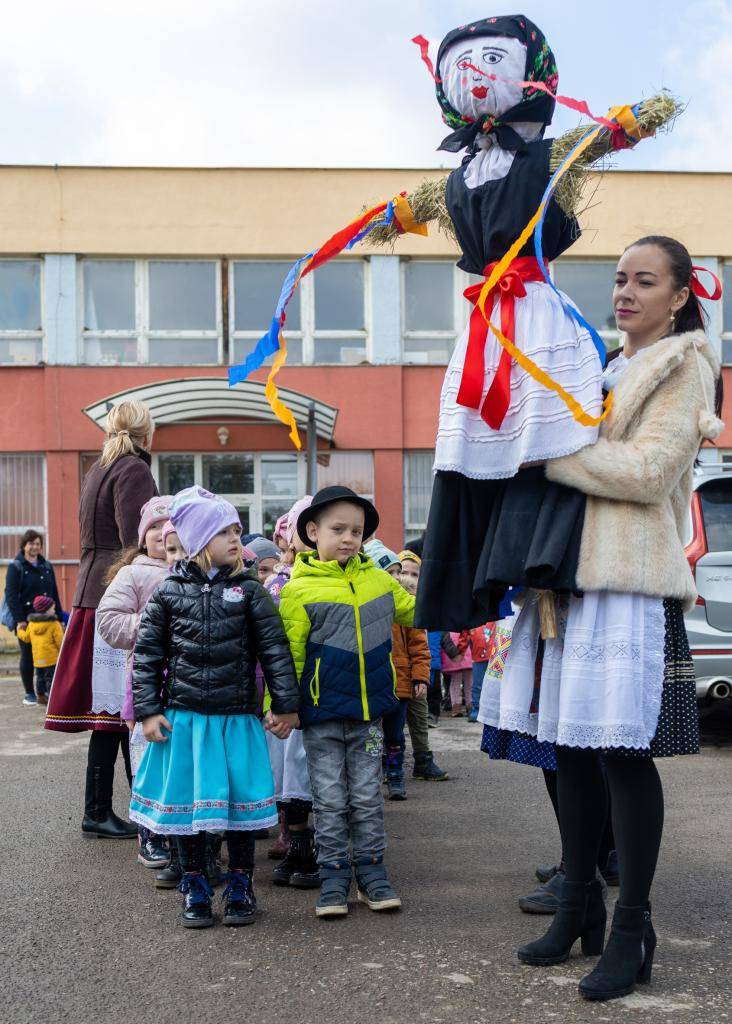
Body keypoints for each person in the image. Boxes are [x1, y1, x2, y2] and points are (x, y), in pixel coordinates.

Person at [483, 236, 723, 1001]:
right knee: (570, 752)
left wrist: (548, 454)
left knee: (621, 755)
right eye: (619, 278)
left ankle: (634, 929)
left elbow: (651, 473)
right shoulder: (608, 365)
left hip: (629, 579)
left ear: (681, 295)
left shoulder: (686, 367)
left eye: (644, 281)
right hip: (570, 576)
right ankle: (580, 903)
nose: (625, 292)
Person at [399, 16, 678, 632]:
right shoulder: (457, 177)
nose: (472, 75)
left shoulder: (550, 156)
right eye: (460, 66)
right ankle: (478, 581)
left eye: (490, 61)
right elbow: (412, 208)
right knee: (476, 448)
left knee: (548, 440)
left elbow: (602, 139)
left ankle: (549, 561)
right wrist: (386, 219)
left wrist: (637, 120)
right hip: (485, 326)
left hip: (532, 310)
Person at [129, 486, 300, 929]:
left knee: (239, 810)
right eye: (224, 531)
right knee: (190, 809)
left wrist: (285, 706)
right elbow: (148, 656)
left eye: (237, 531)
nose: (234, 540)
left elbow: (275, 650)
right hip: (185, 721)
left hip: (236, 720)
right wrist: (148, 710)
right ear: (200, 539)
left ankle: (242, 883)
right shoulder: (169, 592)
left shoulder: (250, 591)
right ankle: (196, 882)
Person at [279, 486, 415, 918]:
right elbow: (288, 656)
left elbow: (416, 611)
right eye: (338, 529)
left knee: (367, 796)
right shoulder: (298, 590)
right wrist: (282, 705)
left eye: (356, 531)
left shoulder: (379, 579)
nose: (349, 538)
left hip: (370, 716)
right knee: (331, 799)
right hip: (321, 718)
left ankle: (372, 874)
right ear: (313, 532)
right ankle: (334, 876)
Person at [45, 400, 158, 839]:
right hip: (118, 591)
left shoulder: (99, 467)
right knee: (122, 707)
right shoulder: (133, 469)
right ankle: (124, 810)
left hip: (92, 594)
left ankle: (114, 808)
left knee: (112, 711)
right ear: (147, 433)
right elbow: (138, 539)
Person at [95, 495, 172, 870]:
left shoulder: (193, 569)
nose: (162, 532)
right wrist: (150, 624)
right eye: (154, 526)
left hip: (189, 688)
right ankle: (150, 834)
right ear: (142, 537)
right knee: (147, 763)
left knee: (181, 764)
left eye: (169, 524)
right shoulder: (134, 573)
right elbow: (108, 622)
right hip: (144, 688)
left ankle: (181, 834)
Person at [263, 495, 321, 891]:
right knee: (287, 772)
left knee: (312, 772)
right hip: (284, 694)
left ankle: (314, 849)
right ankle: (296, 845)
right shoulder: (278, 584)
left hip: (320, 692)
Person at [380, 548, 431, 801]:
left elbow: (419, 646)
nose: (397, 577)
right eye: (390, 572)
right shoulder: (370, 604)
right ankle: (377, 772)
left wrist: (420, 677)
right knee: (371, 736)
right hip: (373, 683)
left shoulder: (406, 605)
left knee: (395, 734)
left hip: (399, 684)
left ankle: (396, 772)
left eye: (398, 572)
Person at [397, 551, 449, 781]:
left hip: (415, 674)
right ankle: (391, 766)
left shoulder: (422, 608)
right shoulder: (392, 606)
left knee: (419, 718)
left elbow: (421, 647)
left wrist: (421, 676)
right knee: (393, 726)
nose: (406, 577)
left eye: (413, 573)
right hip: (394, 677)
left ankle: (423, 760)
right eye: (402, 572)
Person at [4, 530, 64, 706]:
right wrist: (19, 620)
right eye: (31, 543)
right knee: (28, 655)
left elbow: (54, 593)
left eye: (38, 543)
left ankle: (45, 690)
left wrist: (59, 617)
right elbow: (11, 596)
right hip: (26, 621)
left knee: (49, 654)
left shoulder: (46, 566)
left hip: (49, 621)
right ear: (24, 545)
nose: (35, 546)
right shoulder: (16, 567)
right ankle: (30, 693)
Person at [16, 595, 64, 705]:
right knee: (50, 678)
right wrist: (63, 651)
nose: (54, 610)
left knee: (39, 677)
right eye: (52, 608)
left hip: (38, 659)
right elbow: (60, 641)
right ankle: (52, 697)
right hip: (52, 658)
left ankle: (41, 697)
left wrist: (19, 631)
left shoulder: (32, 624)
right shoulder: (54, 624)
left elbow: (26, 638)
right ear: (46, 610)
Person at [441, 630, 473, 717]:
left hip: (455, 649)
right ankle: (468, 706)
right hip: (463, 650)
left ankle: (457, 707)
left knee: (457, 681)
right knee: (467, 682)